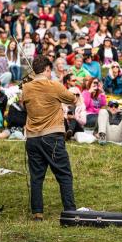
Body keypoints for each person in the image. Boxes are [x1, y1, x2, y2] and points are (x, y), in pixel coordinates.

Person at [22, 54, 78, 221]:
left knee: (36, 177)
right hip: (51, 136)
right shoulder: (53, 85)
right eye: (50, 71)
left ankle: (37, 212)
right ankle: (70, 210)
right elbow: (73, 99)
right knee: (64, 174)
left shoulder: (26, 87)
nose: (51, 73)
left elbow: (23, 103)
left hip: (32, 137)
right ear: (46, 69)